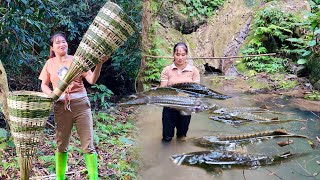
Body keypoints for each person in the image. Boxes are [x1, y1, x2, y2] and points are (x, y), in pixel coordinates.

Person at [39, 32, 108, 180]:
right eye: (57, 43)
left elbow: (92, 80)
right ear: (52, 48)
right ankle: (60, 178)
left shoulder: (77, 60)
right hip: (61, 106)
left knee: (88, 144)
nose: (62, 44)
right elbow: (43, 85)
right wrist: (51, 94)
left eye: (63, 41)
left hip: (81, 105)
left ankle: (94, 178)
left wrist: (99, 63)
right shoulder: (49, 64)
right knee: (61, 144)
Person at [160, 42, 200, 142]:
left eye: (183, 55)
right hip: (169, 107)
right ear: (173, 54)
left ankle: (180, 154)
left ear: (187, 55)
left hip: (186, 107)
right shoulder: (167, 70)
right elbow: (162, 90)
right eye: (177, 54)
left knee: (182, 136)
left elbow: (197, 91)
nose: (180, 58)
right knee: (167, 137)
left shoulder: (194, 71)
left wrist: (197, 103)